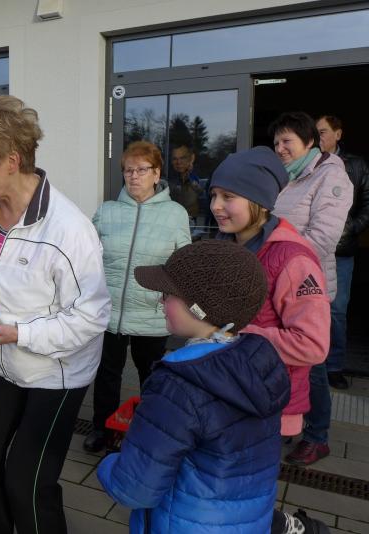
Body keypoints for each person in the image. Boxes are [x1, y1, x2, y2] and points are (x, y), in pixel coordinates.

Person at [0, 95, 111, 534]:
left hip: (56, 374)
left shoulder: (70, 230)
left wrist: (16, 333)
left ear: (12, 160)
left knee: (27, 483)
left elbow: (91, 317)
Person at [97, 239, 292, 533]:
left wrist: (110, 464)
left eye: (167, 294)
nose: (160, 301)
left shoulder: (177, 385)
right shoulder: (258, 366)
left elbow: (133, 489)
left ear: (198, 309)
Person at [210, 148, 333, 534]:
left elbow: (313, 344)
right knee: (223, 493)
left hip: (267, 407)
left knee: (245, 499)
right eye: (214, 195)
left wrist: (237, 334)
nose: (215, 206)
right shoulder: (228, 245)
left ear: (260, 201)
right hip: (228, 395)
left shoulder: (293, 259)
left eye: (228, 196)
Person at [84, 141, 190, 453]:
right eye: (128, 170)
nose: (133, 176)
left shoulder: (175, 214)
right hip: (110, 310)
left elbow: (183, 263)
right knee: (107, 374)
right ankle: (102, 429)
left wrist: (172, 299)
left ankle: (150, 432)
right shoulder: (107, 211)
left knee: (152, 376)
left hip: (151, 312)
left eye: (142, 170)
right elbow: (87, 255)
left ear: (156, 173)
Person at [270, 112, 353, 466]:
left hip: (308, 287)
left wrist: (275, 261)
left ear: (309, 142)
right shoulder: (287, 176)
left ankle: (318, 437)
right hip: (278, 285)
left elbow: (322, 238)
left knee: (312, 365)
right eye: (276, 142)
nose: (280, 148)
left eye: (287, 141)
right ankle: (289, 423)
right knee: (283, 362)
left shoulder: (331, 176)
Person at [316, 115, 369, 389]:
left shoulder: (356, 165)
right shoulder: (308, 164)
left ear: (338, 134)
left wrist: (350, 228)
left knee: (336, 311)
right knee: (309, 308)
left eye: (323, 132)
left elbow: (367, 205)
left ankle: (333, 367)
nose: (318, 137)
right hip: (310, 251)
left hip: (341, 252)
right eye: (315, 132)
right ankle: (310, 364)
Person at [168, 145, 203, 221]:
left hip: (190, 215)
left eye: (182, 158)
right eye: (175, 159)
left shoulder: (194, 177)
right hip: (174, 214)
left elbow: (200, 192)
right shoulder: (171, 178)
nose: (179, 162)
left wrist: (189, 176)